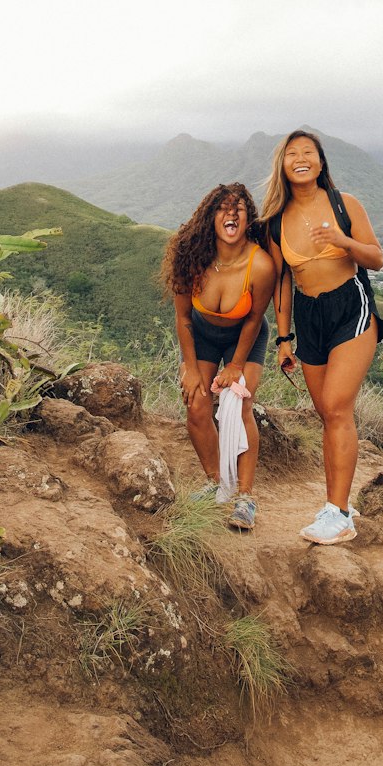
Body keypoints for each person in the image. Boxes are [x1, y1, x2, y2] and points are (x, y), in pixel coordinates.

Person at [261, 130, 383, 544]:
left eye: (308, 152)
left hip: (351, 307)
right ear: (282, 164)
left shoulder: (344, 204)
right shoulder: (276, 222)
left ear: (320, 161)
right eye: (292, 153)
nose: (301, 158)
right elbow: (281, 282)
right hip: (308, 315)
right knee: (327, 414)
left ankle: (339, 513)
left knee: (335, 407)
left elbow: (376, 258)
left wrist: (342, 240)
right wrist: (283, 339)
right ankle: (335, 506)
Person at [161, 182, 275, 531]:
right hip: (201, 336)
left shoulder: (261, 266)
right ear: (211, 217)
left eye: (238, 207)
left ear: (248, 217)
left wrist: (236, 367)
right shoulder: (190, 257)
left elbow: (254, 319)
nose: (231, 213)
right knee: (196, 403)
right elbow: (183, 319)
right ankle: (217, 485)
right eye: (222, 207)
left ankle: (244, 496)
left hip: (245, 338)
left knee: (238, 404)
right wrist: (191, 367)